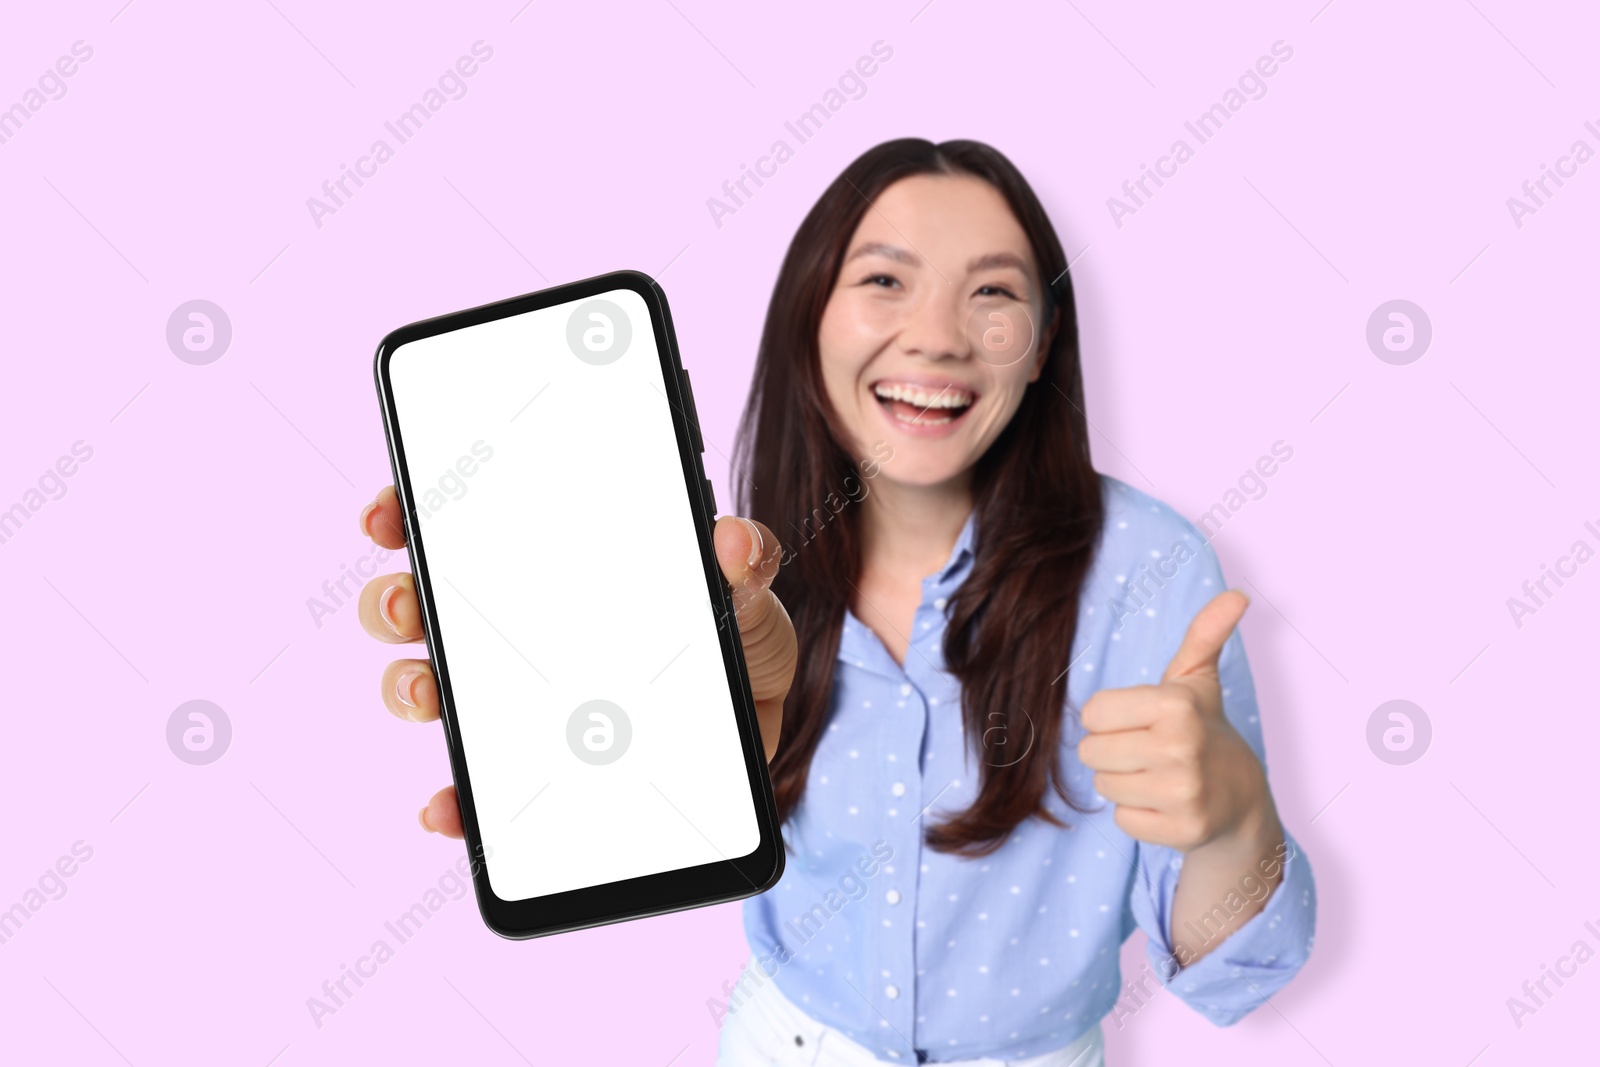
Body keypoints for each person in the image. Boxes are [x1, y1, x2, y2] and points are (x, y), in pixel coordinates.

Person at [355, 138, 1315, 1066]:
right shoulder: (737, 566)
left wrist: (1235, 821)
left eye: (992, 293)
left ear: (1041, 345)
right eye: (885, 280)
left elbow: (1234, 975)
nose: (938, 336)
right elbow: (666, 821)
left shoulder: (1151, 569)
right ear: (809, 314)